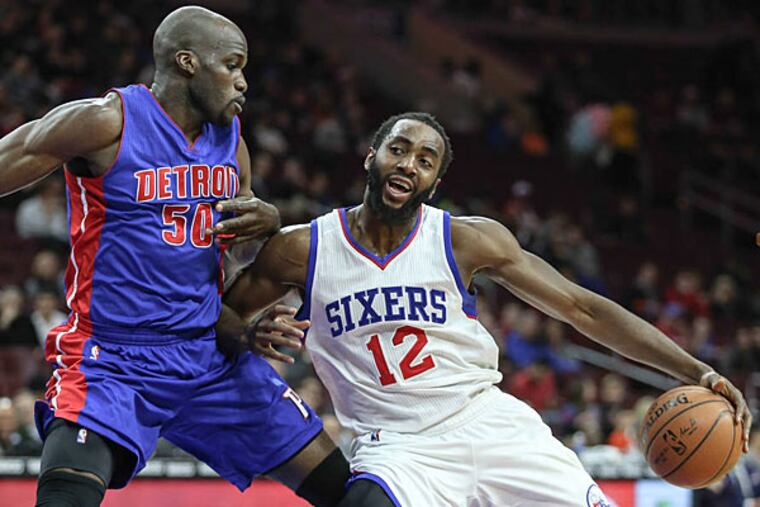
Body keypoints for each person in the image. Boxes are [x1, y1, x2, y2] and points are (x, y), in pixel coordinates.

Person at [224, 112, 753, 506]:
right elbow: (217, 317)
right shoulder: (303, 249)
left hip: (489, 423)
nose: (409, 163)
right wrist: (246, 335)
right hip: (399, 448)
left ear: (435, 182)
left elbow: (583, 309)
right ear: (371, 156)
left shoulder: (464, 241)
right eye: (399, 149)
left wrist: (696, 369)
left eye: (425, 160)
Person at [0, 6, 348, 507]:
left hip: (207, 355)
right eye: (232, 64)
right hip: (114, 359)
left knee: (352, 494)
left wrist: (245, 323)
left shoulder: (234, 145)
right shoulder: (106, 122)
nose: (243, 82)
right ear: (187, 63)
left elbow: (223, 279)